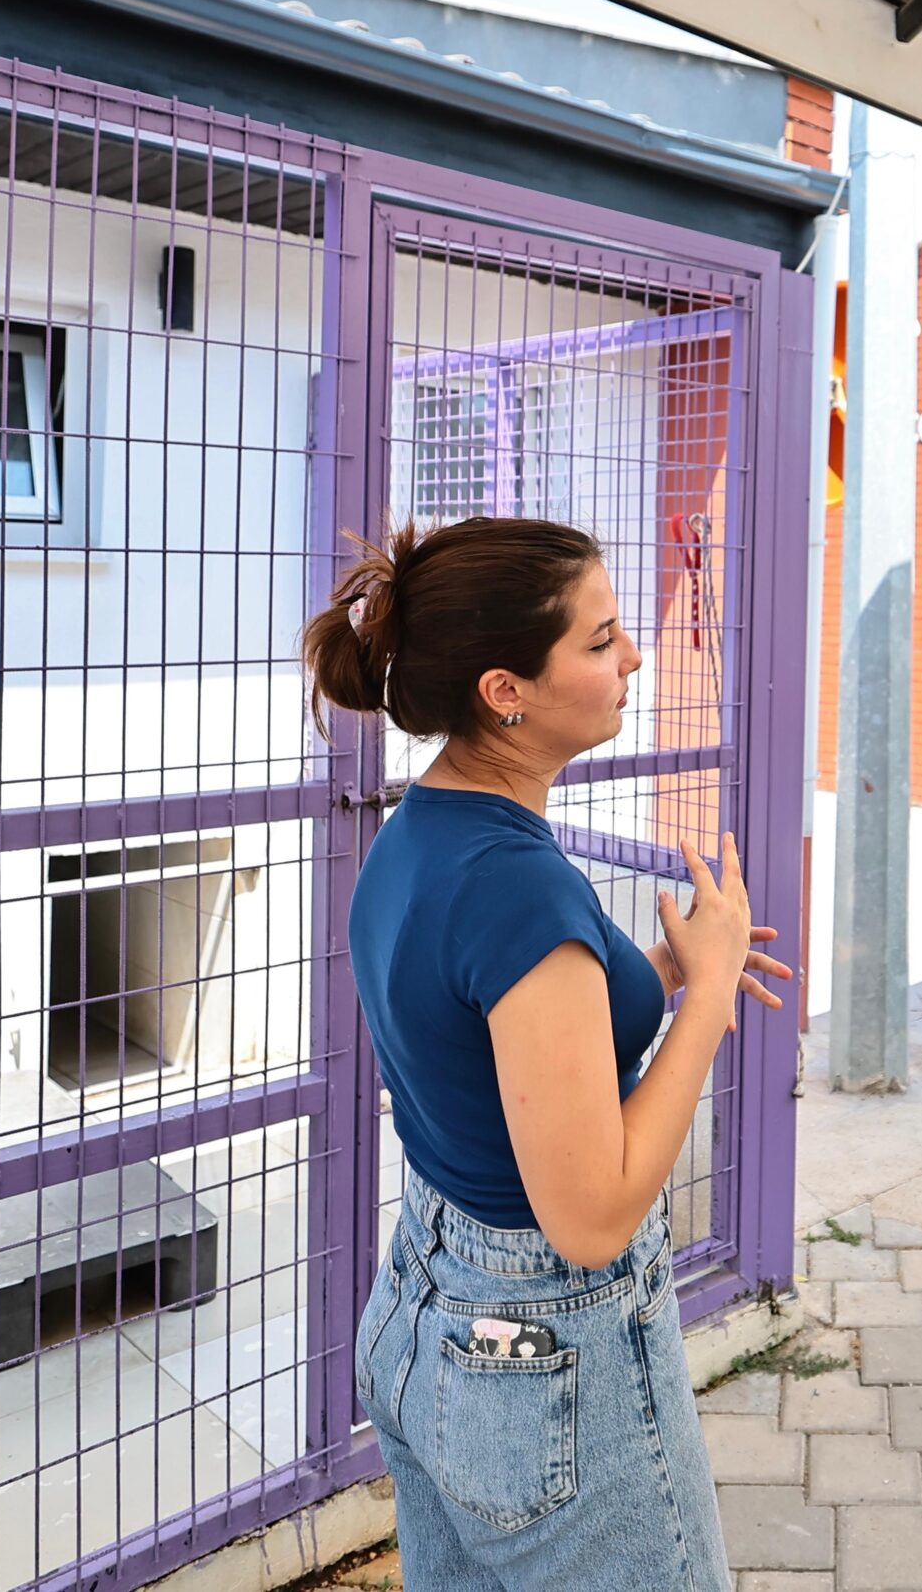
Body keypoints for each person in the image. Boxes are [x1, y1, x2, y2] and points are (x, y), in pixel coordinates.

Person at [302, 517, 790, 1591]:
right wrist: (705, 997)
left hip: (428, 1307)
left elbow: (496, 1028)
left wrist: (656, 971)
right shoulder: (516, 884)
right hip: (541, 1353)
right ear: (504, 688)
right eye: (601, 637)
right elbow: (592, 1210)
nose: (634, 655)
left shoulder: (424, 829)